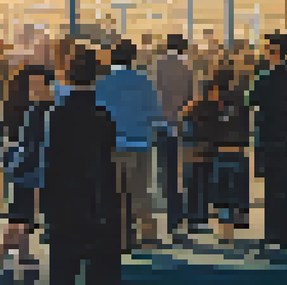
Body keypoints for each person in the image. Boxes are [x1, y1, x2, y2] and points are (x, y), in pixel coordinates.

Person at [42, 45, 121, 285]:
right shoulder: (103, 116)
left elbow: (52, 162)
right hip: (98, 199)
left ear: (67, 75)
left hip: (65, 201)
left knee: (63, 270)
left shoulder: (57, 114)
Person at [94, 38, 162, 252]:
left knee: (115, 195)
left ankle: (122, 239)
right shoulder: (144, 82)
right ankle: (148, 237)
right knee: (140, 192)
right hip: (140, 142)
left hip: (111, 145)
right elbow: (155, 112)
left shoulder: (102, 83)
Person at [0, 64, 54, 284]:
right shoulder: (39, 110)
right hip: (29, 166)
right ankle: (5, 261)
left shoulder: (30, 108)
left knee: (21, 214)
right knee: (20, 215)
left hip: (25, 165)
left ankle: (15, 257)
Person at [245, 32, 287, 259]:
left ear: (274, 51)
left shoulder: (264, 77)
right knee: (286, 188)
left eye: (268, 49)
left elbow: (251, 100)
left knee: (271, 189)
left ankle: (272, 234)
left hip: (269, 137)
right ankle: (285, 235)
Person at [185, 69, 250, 252]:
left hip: (218, 150)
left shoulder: (209, 103)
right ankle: (236, 221)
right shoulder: (241, 100)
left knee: (221, 191)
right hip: (238, 149)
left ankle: (225, 232)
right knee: (236, 189)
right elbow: (246, 124)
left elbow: (194, 119)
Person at [148, 34, 193, 241]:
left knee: (160, 172)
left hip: (158, 124)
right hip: (178, 124)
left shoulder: (155, 66)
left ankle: (157, 218)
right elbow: (191, 97)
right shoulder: (187, 68)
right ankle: (175, 220)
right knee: (176, 174)